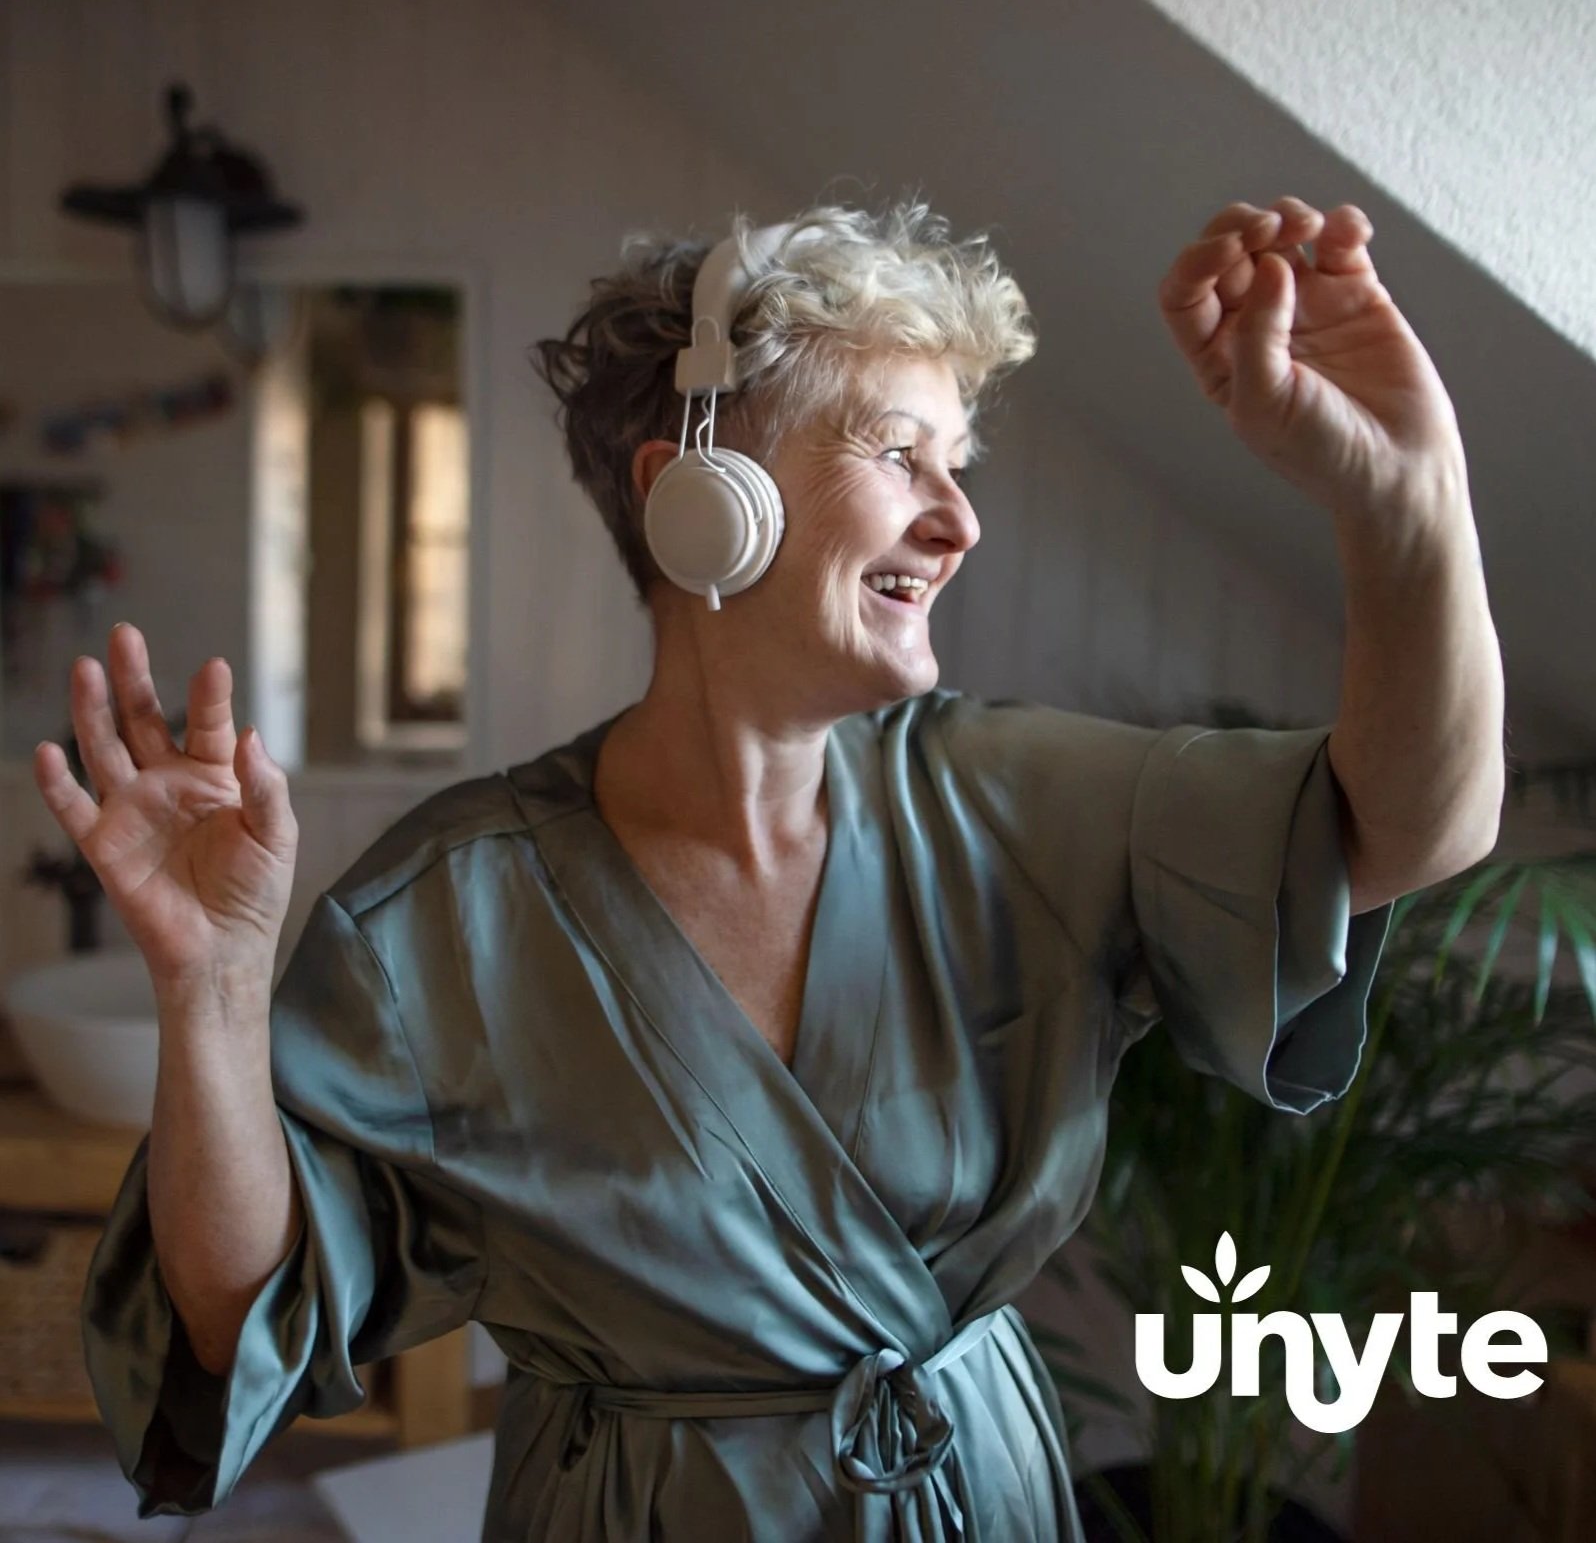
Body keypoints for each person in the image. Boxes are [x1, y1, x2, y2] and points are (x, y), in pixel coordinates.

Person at [43, 190, 1499, 1541]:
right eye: (896, 451)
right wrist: (214, 987)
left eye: (959, 461)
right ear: (699, 497)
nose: (959, 516)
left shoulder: (1021, 801)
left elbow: (1409, 825)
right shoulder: (448, 914)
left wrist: (1403, 492)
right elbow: (242, 1318)